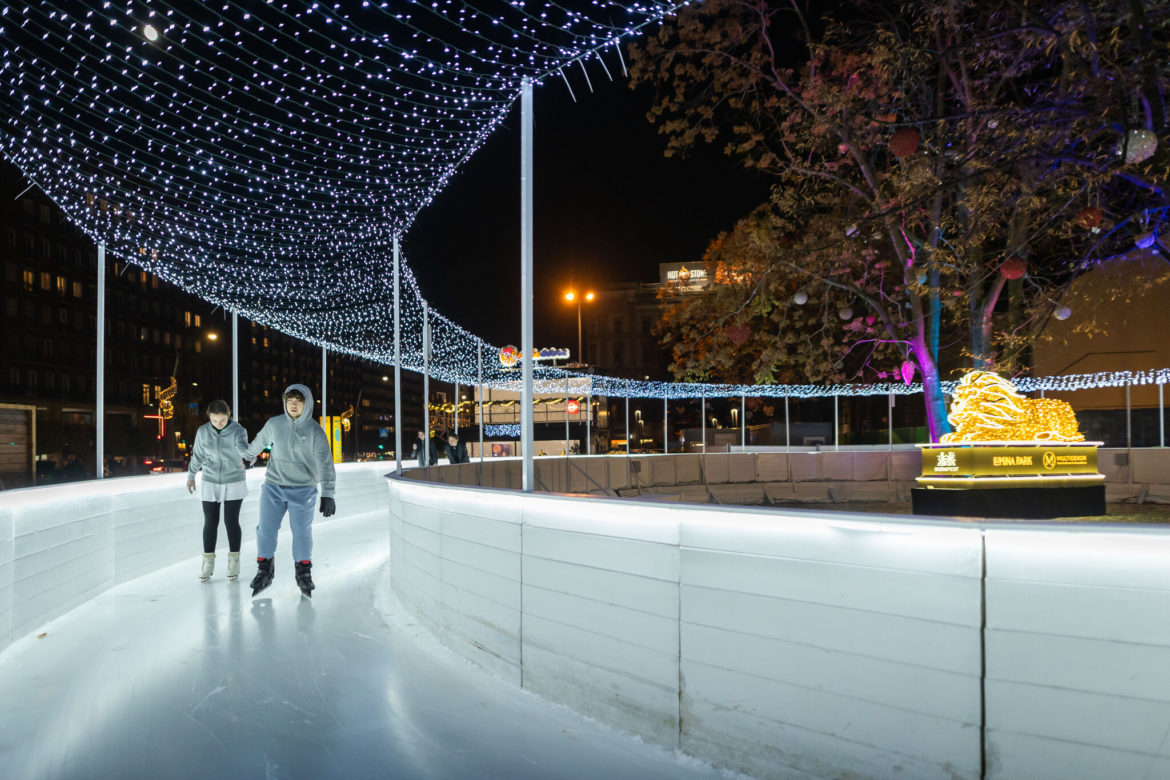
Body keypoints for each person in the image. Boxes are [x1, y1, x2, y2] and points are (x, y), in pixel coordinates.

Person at [242, 384, 336, 597]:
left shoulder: (314, 431)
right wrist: (247, 457)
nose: (293, 405)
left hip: (303, 490)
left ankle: (303, 572)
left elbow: (325, 463)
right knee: (265, 529)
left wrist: (328, 492)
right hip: (274, 487)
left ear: (307, 404)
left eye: (298, 401)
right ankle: (265, 569)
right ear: (284, 403)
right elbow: (259, 442)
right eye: (289, 400)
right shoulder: (275, 424)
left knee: (302, 532)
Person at [186, 400, 249, 582]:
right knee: (210, 522)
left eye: (222, 420)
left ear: (228, 415)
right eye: (214, 420)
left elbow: (244, 449)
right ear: (209, 417)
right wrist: (191, 476)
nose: (218, 424)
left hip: (234, 480)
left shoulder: (238, 430)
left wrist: (248, 457)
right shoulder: (203, 431)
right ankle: (207, 563)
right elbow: (197, 455)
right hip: (210, 480)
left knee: (231, 521)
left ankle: (234, 562)